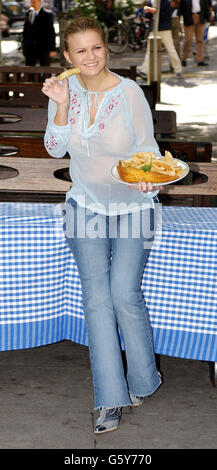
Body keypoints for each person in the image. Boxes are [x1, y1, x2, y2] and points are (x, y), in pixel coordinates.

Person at [42, 16, 162, 434]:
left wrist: (149, 174)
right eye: (81, 50)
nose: (90, 56)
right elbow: (55, 149)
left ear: (105, 47)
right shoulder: (65, 90)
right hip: (85, 207)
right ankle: (109, 399)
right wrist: (59, 103)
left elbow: (147, 147)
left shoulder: (129, 92)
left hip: (134, 206)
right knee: (96, 300)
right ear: (67, 56)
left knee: (123, 295)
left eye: (96, 47)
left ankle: (145, 380)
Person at [138, 0, 182, 78]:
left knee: (171, 49)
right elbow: (148, 16)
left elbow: (167, 15)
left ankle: (178, 69)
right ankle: (144, 71)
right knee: (149, 51)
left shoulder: (166, 2)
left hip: (165, 29)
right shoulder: (150, 2)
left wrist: (153, 11)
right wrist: (147, 11)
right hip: (154, 29)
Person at [22, 0, 56, 66]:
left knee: (45, 71)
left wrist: (52, 49)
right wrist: (24, 47)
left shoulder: (47, 14)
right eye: (31, 2)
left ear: (40, 2)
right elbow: (25, 32)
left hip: (44, 49)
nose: (33, 4)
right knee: (29, 71)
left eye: (34, 2)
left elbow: (51, 33)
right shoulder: (28, 13)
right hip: (30, 49)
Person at [177, 0, 211, 66]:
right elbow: (181, 8)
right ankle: (184, 59)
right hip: (189, 19)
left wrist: (208, 19)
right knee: (188, 40)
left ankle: (200, 59)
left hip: (200, 18)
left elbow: (206, 7)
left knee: (200, 40)